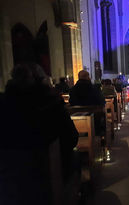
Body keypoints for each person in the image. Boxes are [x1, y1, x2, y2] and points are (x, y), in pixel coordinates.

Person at [0, 64, 79, 205]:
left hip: (8, 185)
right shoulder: (51, 102)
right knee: (75, 159)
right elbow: (72, 138)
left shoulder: (4, 104)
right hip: (48, 179)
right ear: (41, 80)